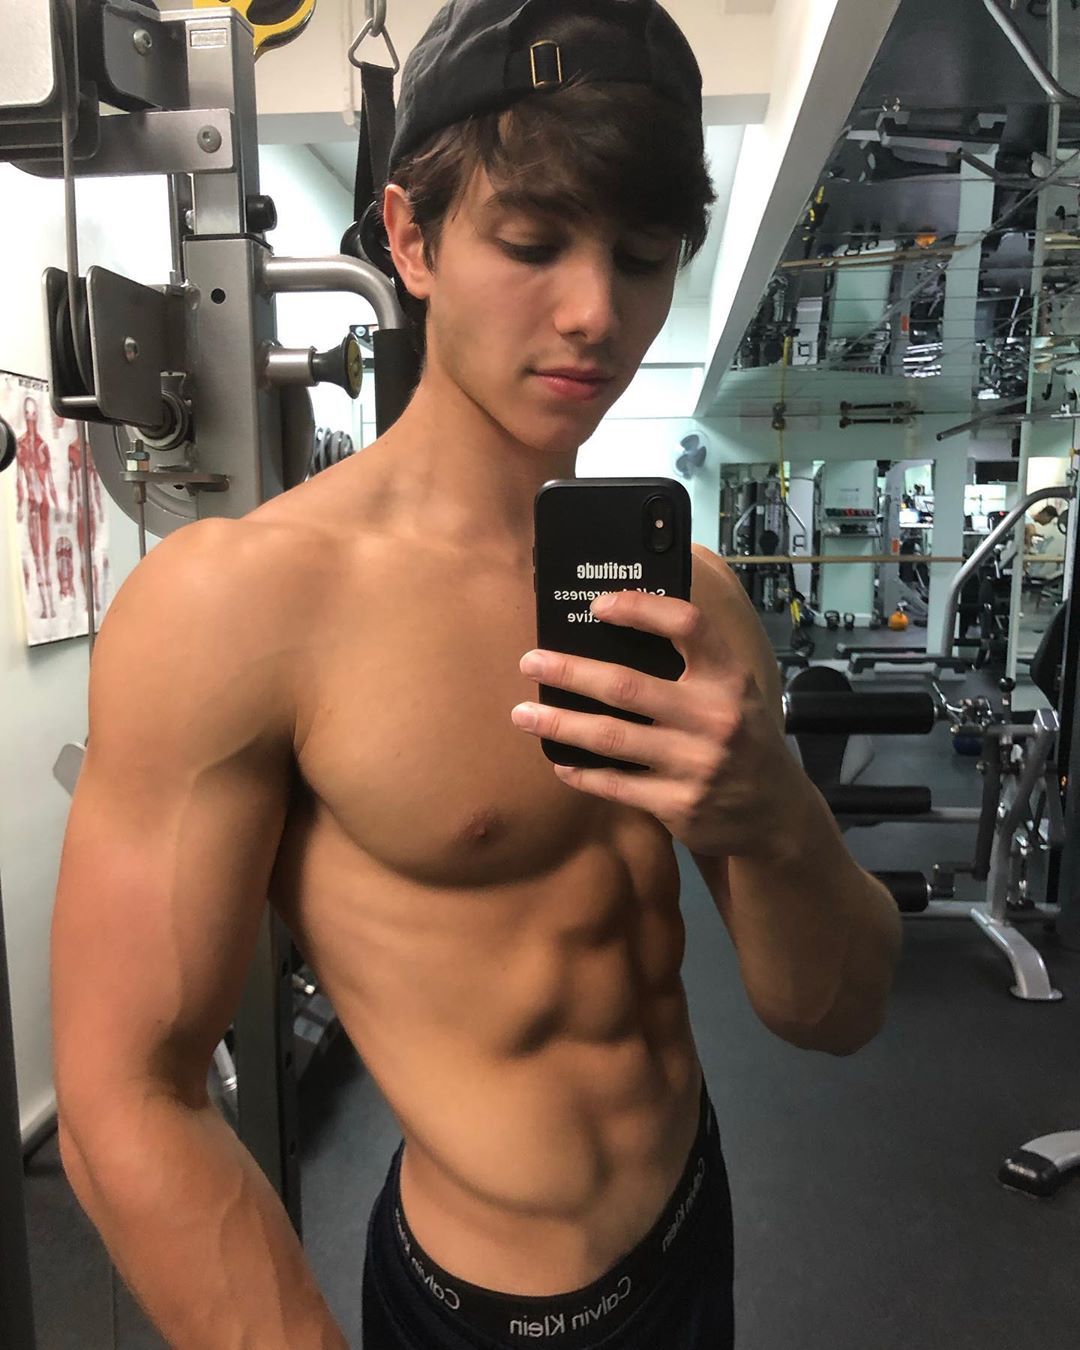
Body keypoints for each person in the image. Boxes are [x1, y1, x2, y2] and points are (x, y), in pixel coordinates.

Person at [50, 2, 902, 1347]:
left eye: (642, 257)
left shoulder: (697, 600)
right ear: (410, 238)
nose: (595, 313)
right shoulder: (238, 605)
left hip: (694, 1219)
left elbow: (834, 1012)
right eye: (532, 242)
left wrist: (774, 815)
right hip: (488, 1309)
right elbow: (122, 1098)